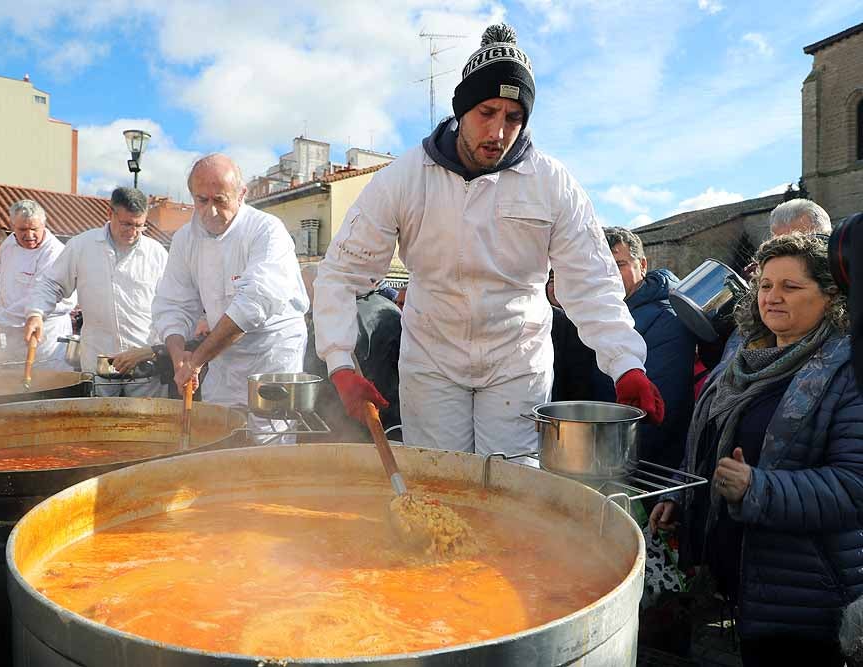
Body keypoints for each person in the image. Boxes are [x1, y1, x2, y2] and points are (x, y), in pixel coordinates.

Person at [313, 23, 663, 456]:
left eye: (513, 117)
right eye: (486, 112)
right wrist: (341, 364)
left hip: (516, 363)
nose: (498, 131)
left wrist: (626, 363)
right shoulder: (404, 179)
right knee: (440, 481)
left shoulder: (552, 184)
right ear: (462, 109)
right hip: (432, 361)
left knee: (511, 485)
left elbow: (591, 281)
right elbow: (342, 273)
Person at [649, 234, 863, 667]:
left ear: (831, 295)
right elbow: (708, 447)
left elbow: (854, 486)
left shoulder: (847, 372)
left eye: (791, 286)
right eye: (766, 285)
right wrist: (680, 491)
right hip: (744, 583)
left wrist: (757, 488)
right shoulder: (742, 359)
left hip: (805, 596)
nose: (773, 297)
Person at [150, 154, 309, 434]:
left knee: (269, 439)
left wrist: (197, 360)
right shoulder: (184, 239)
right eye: (201, 200)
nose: (210, 211)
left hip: (272, 353)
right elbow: (173, 304)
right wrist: (179, 358)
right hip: (221, 354)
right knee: (220, 432)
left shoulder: (266, 230)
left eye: (219, 200)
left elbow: (254, 304)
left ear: (241, 194)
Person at [25, 187, 168, 397]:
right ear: (110, 215)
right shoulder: (82, 246)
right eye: (126, 224)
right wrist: (36, 313)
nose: (133, 231)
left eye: (139, 226)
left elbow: (170, 301)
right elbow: (51, 284)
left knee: (146, 421)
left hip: (143, 360)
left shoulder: (156, 253)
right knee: (99, 418)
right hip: (98, 358)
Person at [592, 227, 696, 468]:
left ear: (643, 265)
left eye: (619, 265)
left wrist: (610, 466)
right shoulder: (599, 313)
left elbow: (655, 413)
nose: (610, 276)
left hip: (637, 466)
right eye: (601, 267)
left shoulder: (667, 320)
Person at [0, 200, 74, 368]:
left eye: (34, 229)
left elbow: (38, 298)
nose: (29, 235)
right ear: (12, 225)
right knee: (13, 383)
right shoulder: (8, 246)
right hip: (13, 334)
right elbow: (6, 286)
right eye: (22, 229)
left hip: (46, 337)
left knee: (46, 383)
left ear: (44, 224)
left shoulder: (54, 253)